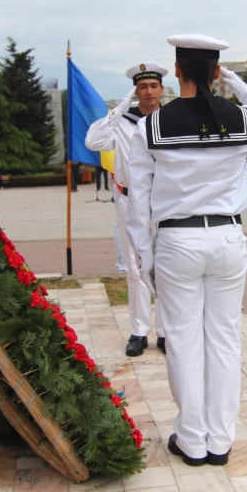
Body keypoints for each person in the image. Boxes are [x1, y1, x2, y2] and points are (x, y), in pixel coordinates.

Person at [126, 34, 247, 466]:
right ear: (216, 72)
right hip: (228, 238)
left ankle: (192, 438)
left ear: (176, 72)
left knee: (181, 339)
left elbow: (138, 203)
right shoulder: (242, 118)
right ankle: (220, 440)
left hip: (178, 240)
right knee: (224, 337)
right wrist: (239, 85)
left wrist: (143, 257)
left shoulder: (150, 126)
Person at [86, 61, 168, 357]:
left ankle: (165, 332)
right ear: (135, 91)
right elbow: (93, 141)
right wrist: (119, 109)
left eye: (153, 86)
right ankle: (139, 331)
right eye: (142, 86)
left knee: (165, 266)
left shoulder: (170, 120)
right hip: (128, 199)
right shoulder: (122, 122)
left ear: (161, 90)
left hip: (163, 202)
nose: (148, 91)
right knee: (135, 267)